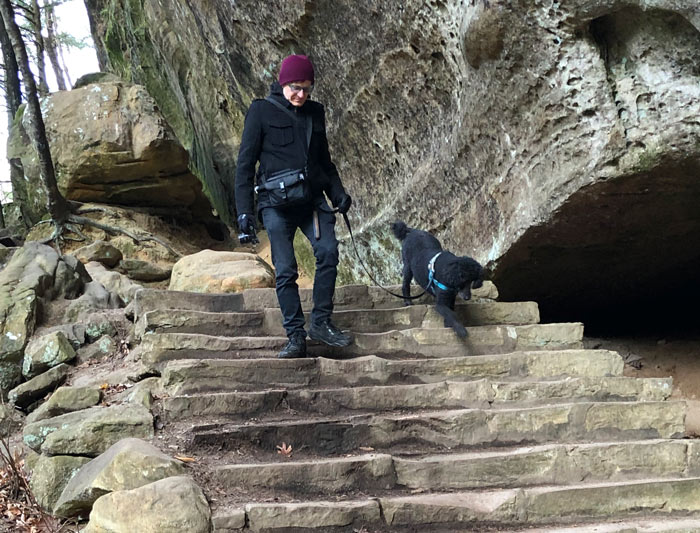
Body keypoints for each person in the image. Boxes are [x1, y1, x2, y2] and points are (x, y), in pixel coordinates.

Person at [234, 54, 353, 359]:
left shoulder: (315, 112)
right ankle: (295, 336)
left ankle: (322, 323)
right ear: (284, 82)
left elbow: (324, 161)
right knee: (285, 270)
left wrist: (337, 193)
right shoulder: (260, 111)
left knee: (328, 251)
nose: (302, 95)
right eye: (297, 88)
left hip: (311, 200)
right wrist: (244, 212)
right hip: (275, 205)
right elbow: (245, 165)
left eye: (308, 89)